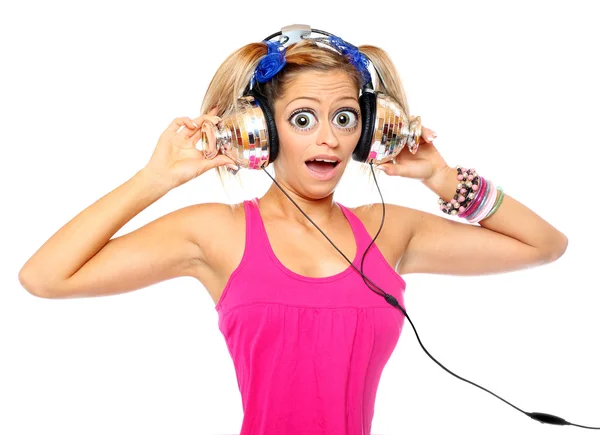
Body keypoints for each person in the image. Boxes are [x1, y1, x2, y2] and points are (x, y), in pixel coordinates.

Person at [17, 28, 568, 435]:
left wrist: (443, 179)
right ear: (262, 130)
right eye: (303, 118)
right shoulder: (218, 233)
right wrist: (153, 179)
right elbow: (45, 277)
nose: (328, 138)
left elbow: (544, 246)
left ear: (369, 129)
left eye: (346, 117)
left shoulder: (387, 230)